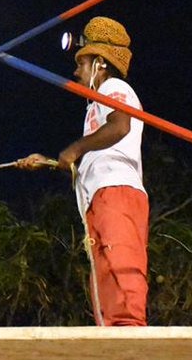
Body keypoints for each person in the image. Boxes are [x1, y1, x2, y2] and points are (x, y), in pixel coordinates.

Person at [19, 16, 148, 326]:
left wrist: (75, 149)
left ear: (100, 63)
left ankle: (129, 331)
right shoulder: (94, 107)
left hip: (116, 191)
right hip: (98, 196)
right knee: (103, 270)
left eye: (82, 63)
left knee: (120, 262)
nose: (76, 72)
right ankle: (113, 329)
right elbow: (93, 156)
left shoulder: (115, 88)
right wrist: (50, 161)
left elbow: (121, 126)